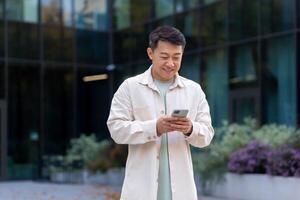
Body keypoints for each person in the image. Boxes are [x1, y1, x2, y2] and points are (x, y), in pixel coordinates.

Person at [107, 26, 214, 200]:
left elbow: (207, 135)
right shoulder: (130, 87)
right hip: (141, 191)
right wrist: (154, 128)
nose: (171, 63)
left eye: (176, 57)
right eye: (164, 57)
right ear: (150, 53)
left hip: (181, 192)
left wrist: (190, 128)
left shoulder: (194, 90)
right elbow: (116, 129)